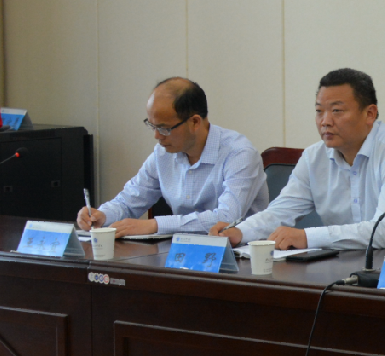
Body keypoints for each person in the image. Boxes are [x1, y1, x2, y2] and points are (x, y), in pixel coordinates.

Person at [210, 68, 385, 251]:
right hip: (350, 267)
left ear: (369, 114)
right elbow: (280, 212)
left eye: (337, 111)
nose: (325, 121)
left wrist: (306, 237)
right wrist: (240, 232)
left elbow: (384, 233)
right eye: (319, 111)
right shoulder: (314, 157)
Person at [75, 77, 268, 237]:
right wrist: (102, 215)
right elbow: (129, 201)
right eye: (152, 126)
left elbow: (227, 218)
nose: (157, 136)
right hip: (180, 253)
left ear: (195, 122)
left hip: (238, 256)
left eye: (164, 128)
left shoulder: (239, 154)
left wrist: (155, 225)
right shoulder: (163, 153)